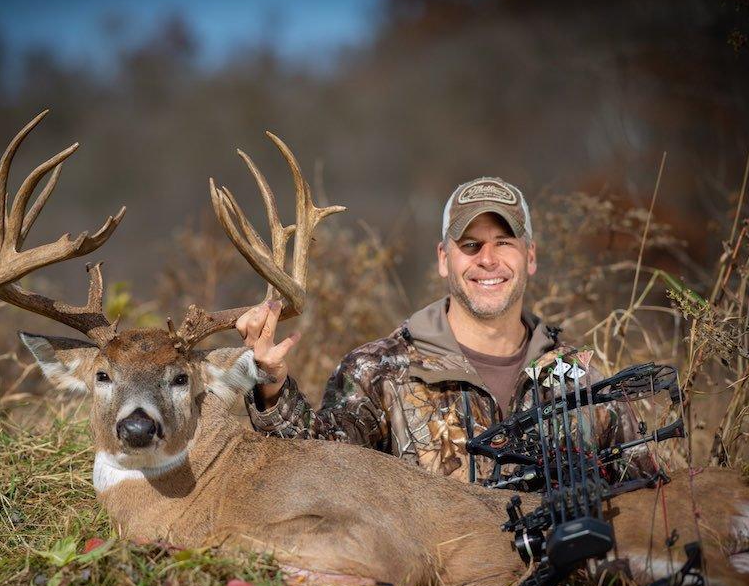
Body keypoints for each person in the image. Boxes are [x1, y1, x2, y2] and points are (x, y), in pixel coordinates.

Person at [235, 177, 643, 483]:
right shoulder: (379, 370)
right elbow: (320, 466)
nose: (487, 260)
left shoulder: (580, 377)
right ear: (444, 259)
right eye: (469, 245)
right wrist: (272, 387)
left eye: (504, 243)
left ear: (530, 256)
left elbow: (644, 496)